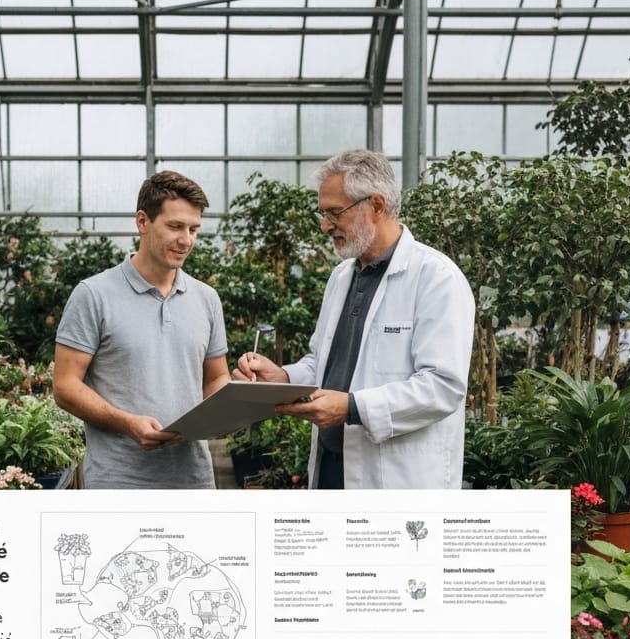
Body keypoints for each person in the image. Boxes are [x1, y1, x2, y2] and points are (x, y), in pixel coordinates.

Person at [233, 149, 474, 489]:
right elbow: (323, 362)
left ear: (376, 205)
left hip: (395, 481)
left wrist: (351, 408)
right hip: (332, 469)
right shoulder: (342, 276)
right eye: (322, 213)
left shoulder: (436, 278)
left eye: (335, 212)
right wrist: (284, 377)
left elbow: (442, 386)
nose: (325, 225)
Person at [54, 170, 230, 488]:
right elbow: (65, 386)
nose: (186, 240)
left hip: (194, 480)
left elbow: (217, 377)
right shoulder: (93, 295)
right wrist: (127, 423)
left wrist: (229, 409)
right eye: (175, 226)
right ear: (142, 222)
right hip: (120, 482)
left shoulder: (207, 299)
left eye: (193, 229)